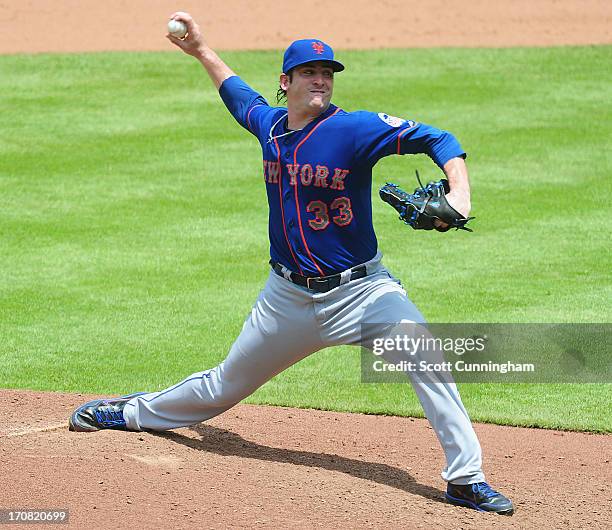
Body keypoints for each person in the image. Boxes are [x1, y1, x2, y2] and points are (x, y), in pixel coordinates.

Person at [68, 12, 514, 515]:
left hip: (361, 294)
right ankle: (131, 412)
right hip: (287, 298)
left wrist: (461, 195)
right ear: (287, 83)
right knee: (224, 386)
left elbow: (441, 140)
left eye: (327, 72)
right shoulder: (270, 126)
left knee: (425, 357)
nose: (320, 79)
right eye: (309, 72)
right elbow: (238, 95)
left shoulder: (354, 129)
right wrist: (200, 50)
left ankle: (465, 477)